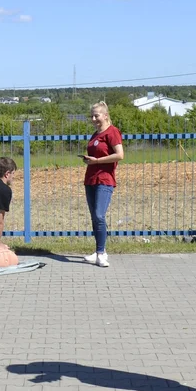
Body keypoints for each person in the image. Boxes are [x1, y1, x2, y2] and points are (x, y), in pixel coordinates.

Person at [81, 101, 124, 267]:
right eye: (91, 116)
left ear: (105, 115)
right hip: (91, 179)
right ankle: (99, 250)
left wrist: (97, 160)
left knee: (99, 215)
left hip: (105, 179)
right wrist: (89, 160)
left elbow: (119, 155)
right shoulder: (95, 135)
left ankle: (101, 253)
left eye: (96, 115)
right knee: (94, 217)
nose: (93, 119)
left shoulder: (112, 132)